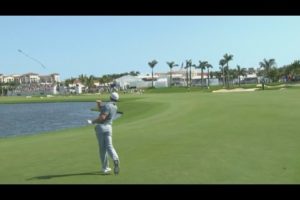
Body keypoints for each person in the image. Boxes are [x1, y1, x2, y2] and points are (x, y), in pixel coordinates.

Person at [90, 92, 120, 175]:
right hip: (109, 128)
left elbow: (103, 116)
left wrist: (92, 121)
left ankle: (105, 167)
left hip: (101, 127)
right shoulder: (115, 107)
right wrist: (99, 104)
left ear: (110, 97)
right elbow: (103, 111)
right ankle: (115, 159)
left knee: (102, 148)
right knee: (109, 146)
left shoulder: (107, 105)